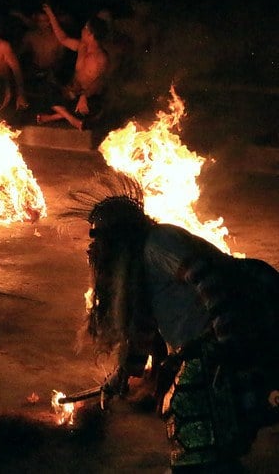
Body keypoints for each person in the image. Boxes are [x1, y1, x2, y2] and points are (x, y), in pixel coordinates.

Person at [65, 172, 279, 472]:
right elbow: (145, 330)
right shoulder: (139, 265)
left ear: (120, 235)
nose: (94, 248)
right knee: (210, 425)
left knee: (191, 413)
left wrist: (228, 346)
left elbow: (210, 282)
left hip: (217, 343)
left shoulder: (159, 242)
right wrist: (121, 376)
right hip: (206, 348)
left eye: (100, 238)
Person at [36, 4, 110, 131]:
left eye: (85, 28)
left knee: (88, 109)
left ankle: (55, 117)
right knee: (47, 87)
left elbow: (100, 82)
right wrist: (50, 13)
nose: (82, 30)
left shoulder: (101, 58)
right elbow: (63, 38)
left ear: (91, 34)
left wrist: (84, 96)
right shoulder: (82, 47)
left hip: (89, 97)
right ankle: (72, 119)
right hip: (73, 93)